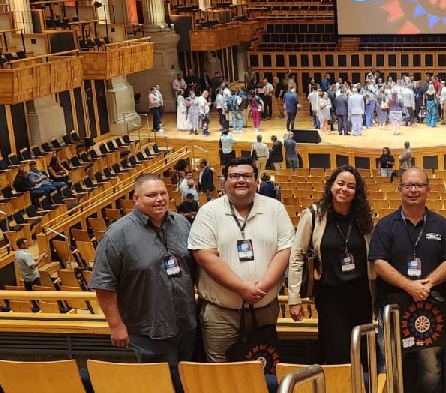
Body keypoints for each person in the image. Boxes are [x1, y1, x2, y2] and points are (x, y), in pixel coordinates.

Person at [369, 167, 446, 393]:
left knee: (431, 363)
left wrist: (427, 283)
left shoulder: (440, 224)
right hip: (393, 307)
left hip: (430, 304)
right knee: (389, 361)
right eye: (408, 185)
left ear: (428, 189)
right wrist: (409, 286)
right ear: (400, 189)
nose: (414, 190)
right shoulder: (386, 225)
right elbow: (378, 263)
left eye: (419, 185)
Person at [188, 158, 295, 362]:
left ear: (256, 180)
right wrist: (241, 288)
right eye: (234, 176)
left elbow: (285, 251)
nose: (241, 181)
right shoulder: (208, 212)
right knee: (220, 374)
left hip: (264, 310)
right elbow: (204, 256)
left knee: (265, 370)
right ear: (225, 181)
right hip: (222, 314)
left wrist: (261, 287)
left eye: (247, 176)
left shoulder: (275, 209)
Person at [90, 173, 199, 375]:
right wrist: (116, 326)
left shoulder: (181, 224)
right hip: (149, 330)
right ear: (136, 198)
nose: (159, 199)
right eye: (151, 195)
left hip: (186, 324)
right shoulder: (118, 234)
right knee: (163, 389)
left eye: (163, 193)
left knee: (189, 382)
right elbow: (103, 283)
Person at [287, 166, 376, 364]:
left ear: (356, 192)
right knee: (337, 354)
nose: (344, 189)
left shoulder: (364, 218)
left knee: (362, 353)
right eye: (340, 183)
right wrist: (294, 297)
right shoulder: (312, 215)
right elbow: (296, 256)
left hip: (361, 296)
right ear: (331, 186)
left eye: (351, 186)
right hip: (330, 296)